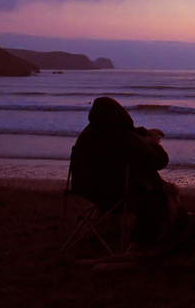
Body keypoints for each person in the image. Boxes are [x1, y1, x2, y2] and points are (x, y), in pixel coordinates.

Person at [71, 96, 175, 244]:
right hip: (124, 195)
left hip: (90, 191)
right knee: (169, 190)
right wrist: (154, 144)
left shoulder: (87, 135)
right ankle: (165, 233)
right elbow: (160, 160)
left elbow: (120, 130)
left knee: (109, 185)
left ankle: (106, 230)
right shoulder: (125, 140)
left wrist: (143, 133)